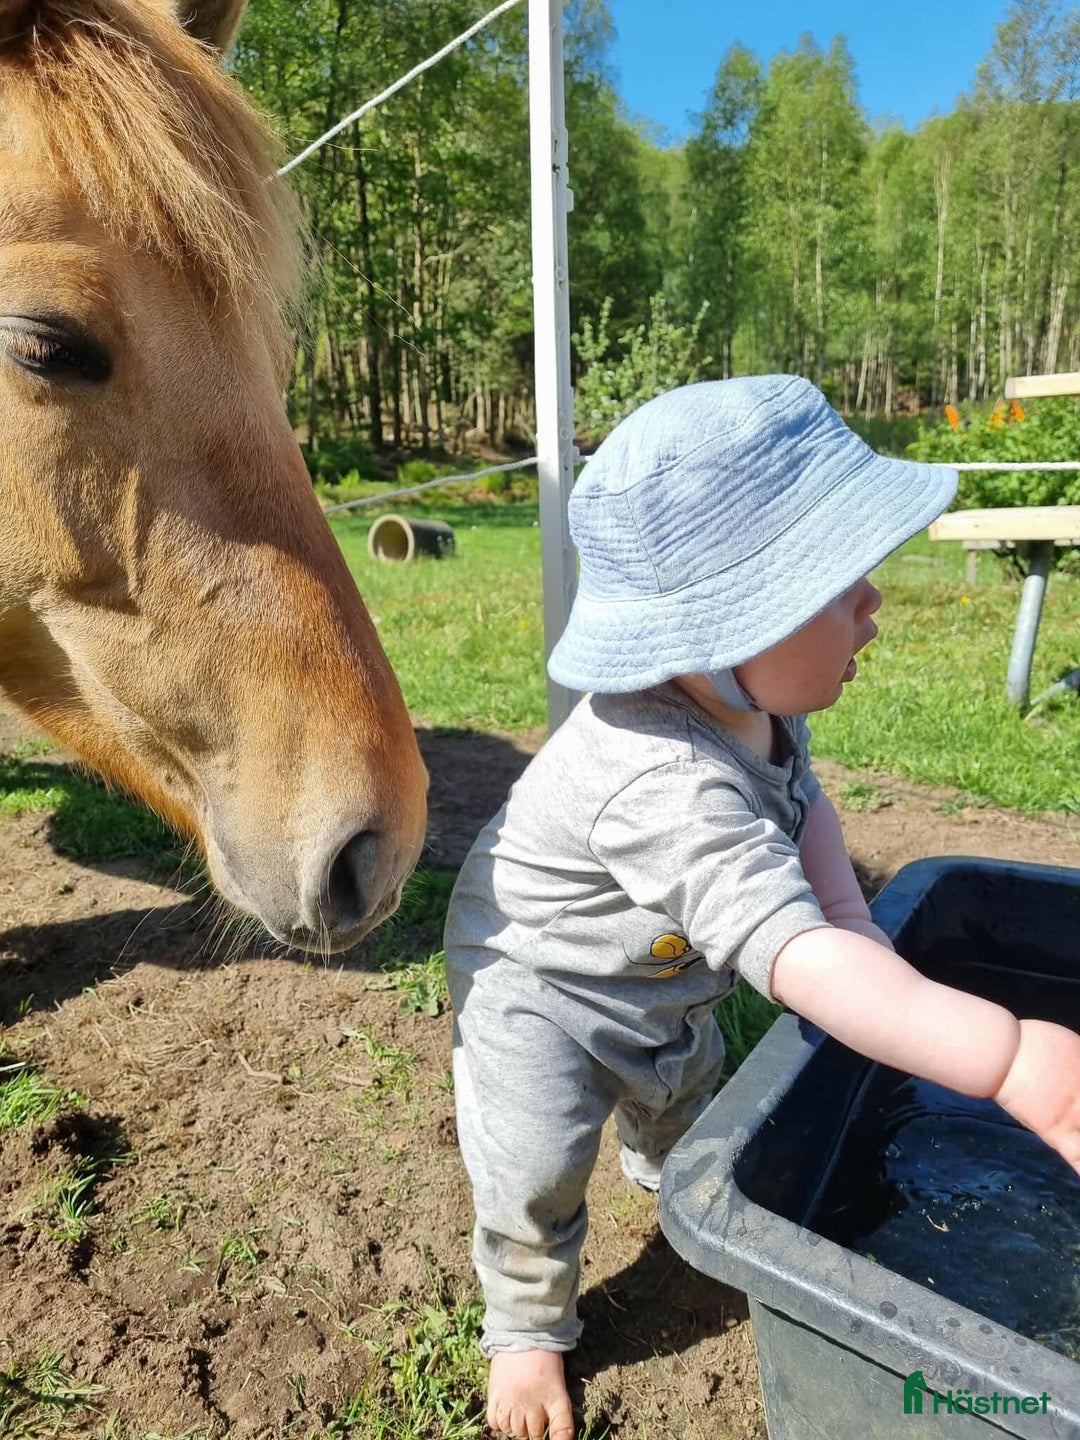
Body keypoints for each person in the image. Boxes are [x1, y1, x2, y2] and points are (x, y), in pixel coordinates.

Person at [443, 376, 1080, 1440]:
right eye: (836, 584)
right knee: (536, 1166)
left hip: (660, 971)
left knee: (687, 1090)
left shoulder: (757, 710)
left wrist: (856, 923)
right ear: (715, 632)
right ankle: (524, 1326)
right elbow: (791, 959)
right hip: (538, 985)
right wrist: (1010, 1060)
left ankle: (664, 1158)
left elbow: (804, 810)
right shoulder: (659, 779)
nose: (872, 600)